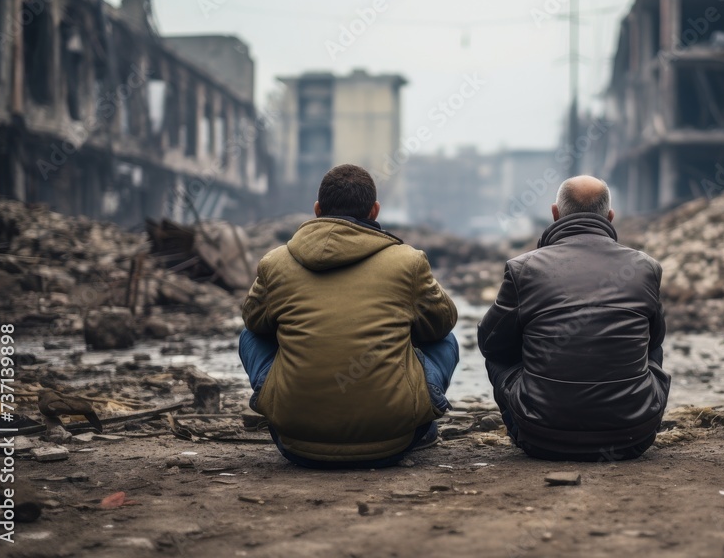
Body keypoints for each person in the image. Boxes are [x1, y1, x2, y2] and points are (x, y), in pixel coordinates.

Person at [239, 164, 459, 468]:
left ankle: (294, 403)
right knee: (446, 340)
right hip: (393, 440)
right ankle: (417, 416)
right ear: (374, 211)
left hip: (295, 441)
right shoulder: (409, 261)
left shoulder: (275, 263)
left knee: (250, 334)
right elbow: (442, 323)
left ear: (317, 210)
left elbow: (253, 322)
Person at [478, 175, 670, 461]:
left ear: (555, 214)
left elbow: (491, 345)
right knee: (652, 344)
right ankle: (624, 414)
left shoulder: (524, 268)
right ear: (610, 216)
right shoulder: (645, 267)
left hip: (541, 438)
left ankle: (543, 415)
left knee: (503, 345)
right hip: (633, 437)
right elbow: (654, 341)